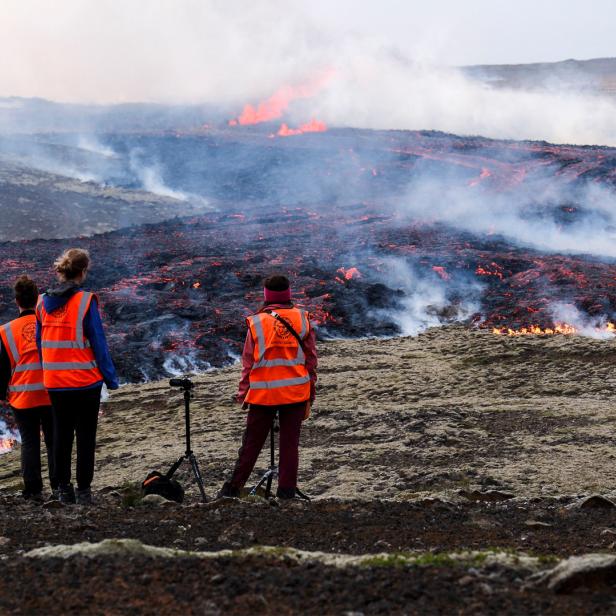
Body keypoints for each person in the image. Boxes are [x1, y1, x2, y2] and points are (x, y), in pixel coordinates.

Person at [220, 274, 317, 499]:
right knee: (289, 445)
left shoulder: (256, 322)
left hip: (263, 393)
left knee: (251, 445)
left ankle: (232, 491)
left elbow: (248, 362)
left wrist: (243, 393)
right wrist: (310, 393)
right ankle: (286, 493)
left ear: (266, 296)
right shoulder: (302, 318)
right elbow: (311, 359)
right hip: (295, 391)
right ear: (288, 293)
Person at [36, 248, 119, 505]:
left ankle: (63, 489)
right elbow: (98, 341)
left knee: (61, 436)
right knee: (85, 437)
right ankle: (84, 491)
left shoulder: (41, 302)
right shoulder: (85, 301)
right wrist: (110, 378)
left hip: (55, 383)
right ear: (83, 271)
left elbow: (41, 343)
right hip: (85, 383)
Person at [0, 276, 58, 501]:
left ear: (17, 301)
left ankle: (33, 490)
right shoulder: (49, 323)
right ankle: (59, 485)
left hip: (23, 397)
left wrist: (2, 393)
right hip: (51, 392)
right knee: (54, 441)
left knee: (30, 442)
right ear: (37, 300)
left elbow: (3, 367)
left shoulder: (5, 331)